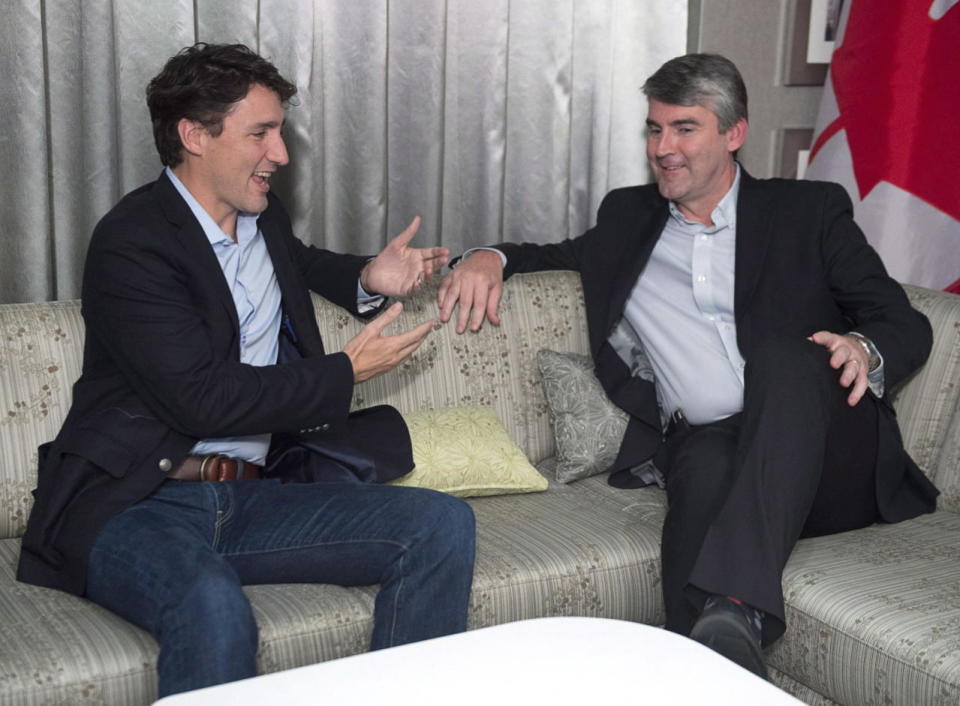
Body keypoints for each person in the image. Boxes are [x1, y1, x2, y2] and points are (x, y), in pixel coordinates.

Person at [436, 53, 938, 677]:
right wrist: (488, 255)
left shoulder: (808, 211)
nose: (664, 148)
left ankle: (733, 601)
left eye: (684, 128)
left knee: (784, 355)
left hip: (832, 459)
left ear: (734, 134)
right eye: (654, 129)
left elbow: (904, 320)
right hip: (714, 446)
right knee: (699, 460)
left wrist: (863, 346)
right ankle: (704, 665)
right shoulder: (627, 217)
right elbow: (549, 253)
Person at [17, 43, 476, 697]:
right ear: (195, 135)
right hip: (137, 503)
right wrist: (345, 369)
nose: (281, 154)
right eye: (261, 132)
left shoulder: (262, 216)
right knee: (210, 602)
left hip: (252, 496)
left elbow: (301, 261)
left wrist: (368, 278)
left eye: (280, 132)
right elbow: (201, 400)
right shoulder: (132, 243)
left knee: (439, 523)